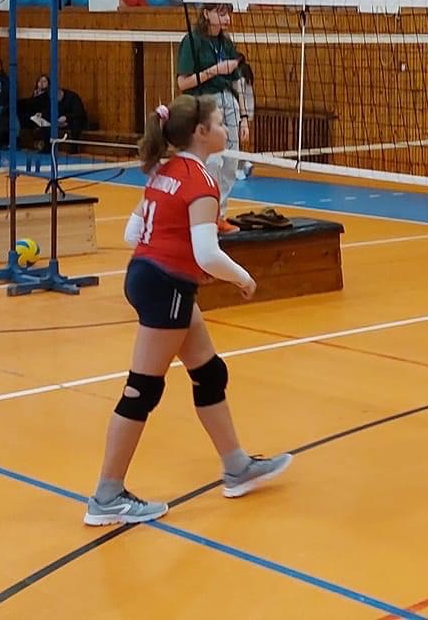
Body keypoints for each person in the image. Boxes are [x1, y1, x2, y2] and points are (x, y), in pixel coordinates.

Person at [85, 95, 291, 526]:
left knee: (210, 374)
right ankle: (107, 495)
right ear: (201, 132)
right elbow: (207, 253)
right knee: (142, 390)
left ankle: (236, 467)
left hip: (149, 276)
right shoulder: (200, 180)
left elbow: (132, 232)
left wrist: (176, 251)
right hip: (167, 287)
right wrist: (243, 278)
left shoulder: (164, 170)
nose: (225, 128)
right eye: (219, 122)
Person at [175, 2, 245, 227]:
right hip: (206, 103)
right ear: (206, 13)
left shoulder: (227, 43)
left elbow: (237, 82)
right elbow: (183, 83)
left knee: (231, 162)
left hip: (229, 102)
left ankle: (219, 215)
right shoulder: (192, 41)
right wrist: (214, 71)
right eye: (221, 13)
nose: (227, 19)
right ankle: (208, 215)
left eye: (228, 14)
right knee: (213, 161)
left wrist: (244, 116)